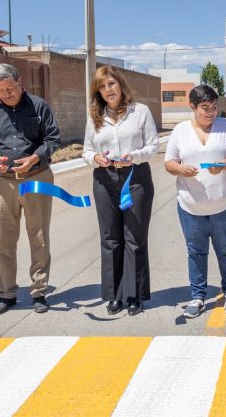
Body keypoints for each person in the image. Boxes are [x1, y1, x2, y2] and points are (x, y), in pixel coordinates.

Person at [0, 63, 60, 316]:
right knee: (4, 241)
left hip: (36, 177)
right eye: (0, 90)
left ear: (20, 82)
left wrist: (35, 157)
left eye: (10, 88)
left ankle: (39, 292)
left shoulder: (39, 106)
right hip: (2, 183)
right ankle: (6, 293)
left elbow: (53, 138)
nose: (6, 93)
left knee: (39, 238)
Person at [82, 65, 158, 316]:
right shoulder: (95, 116)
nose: (108, 90)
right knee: (110, 238)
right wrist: (96, 159)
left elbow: (153, 146)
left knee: (134, 238)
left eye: (111, 84)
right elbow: (86, 150)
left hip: (135, 178)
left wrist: (134, 156)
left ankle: (134, 295)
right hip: (105, 179)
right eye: (102, 87)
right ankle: (115, 295)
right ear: (98, 92)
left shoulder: (141, 112)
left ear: (121, 85)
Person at [165, 85, 226, 318]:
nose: (211, 113)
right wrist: (181, 169)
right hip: (190, 206)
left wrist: (223, 164)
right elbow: (169, 163)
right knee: (196, 252)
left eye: (214, 107)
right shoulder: (180, 131)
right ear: (192, 107)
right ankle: (198, 297)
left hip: (225, 204)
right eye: (205, 108)